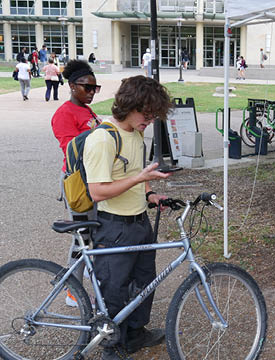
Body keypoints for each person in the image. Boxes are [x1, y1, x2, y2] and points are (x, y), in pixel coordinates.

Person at [84, 75, 173, 359]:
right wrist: (139, 179)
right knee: (115, 289)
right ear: (130, 105)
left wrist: (149, 193)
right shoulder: (103, 139)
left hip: (139, 223)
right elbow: (97, 192)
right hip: (113, 227)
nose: (150, 120)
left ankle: (136, 333)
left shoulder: (135, 133)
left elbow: (136, 172)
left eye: (154, 115)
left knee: (145, 282)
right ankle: (111, 346)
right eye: (147, 114)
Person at [51, 60, 102, 307]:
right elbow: (71, 149)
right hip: (77, 183)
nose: (92, 92)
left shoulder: (87, 110)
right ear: (72, 86)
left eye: (95, 88)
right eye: (87, 88)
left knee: (90, 235)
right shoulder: (64, 114)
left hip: (92, 180)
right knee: (82, 237)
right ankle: (73, 291)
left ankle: (86, 287)